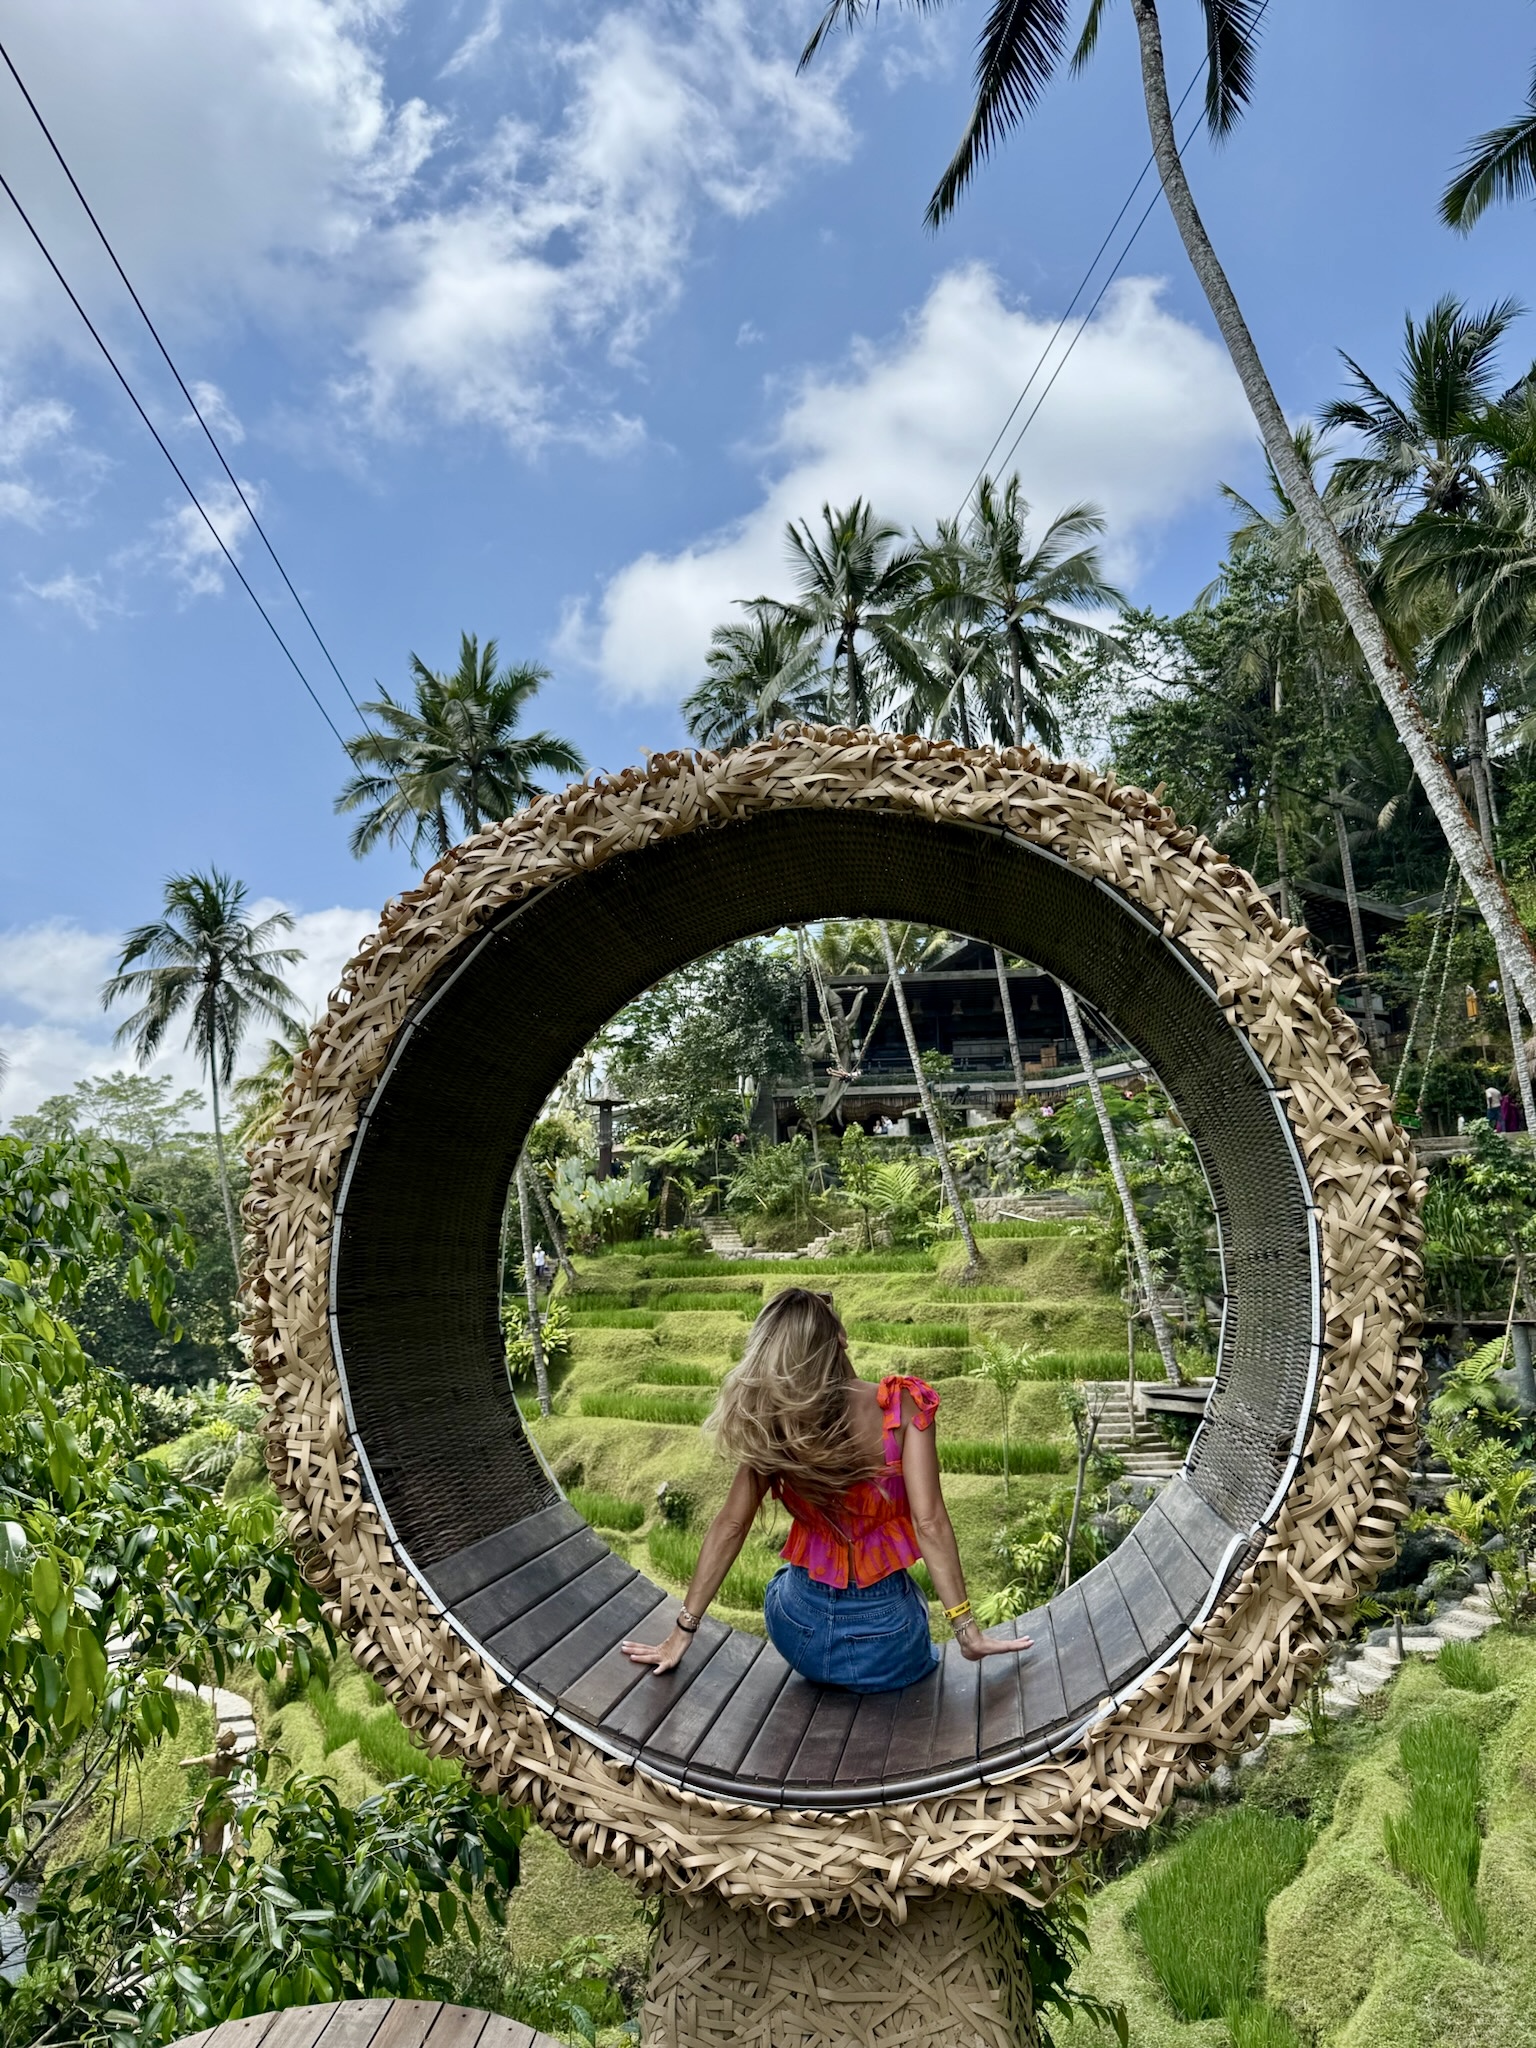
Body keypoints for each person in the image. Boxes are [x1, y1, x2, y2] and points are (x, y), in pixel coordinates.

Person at [621, 1288, 1032, 1691]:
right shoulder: (902, 1407)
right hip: (886, 1639)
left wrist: (682, 1631)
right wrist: (967, 1631)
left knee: (783, 1581)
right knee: (913, 1609)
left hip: (797, 1632)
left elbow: (731, 1525)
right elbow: (930, 1523)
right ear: (841, 1338)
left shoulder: (775, 1422)